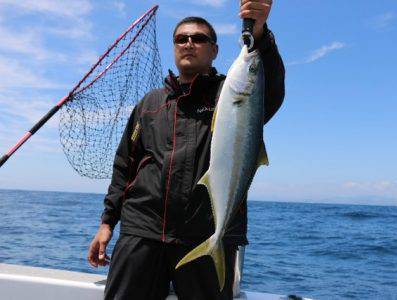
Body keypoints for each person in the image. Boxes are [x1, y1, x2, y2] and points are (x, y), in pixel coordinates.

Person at [87, 0, 284, 299]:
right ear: (174, 47)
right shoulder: (150, 104)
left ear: (214, 50)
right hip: (142, 233)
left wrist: (259, 35)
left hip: (204, 234)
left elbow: (268, 88)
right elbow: (124, 167)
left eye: (199, 38)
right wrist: (106, 223)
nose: (189, 43)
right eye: (181, 39)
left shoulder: (227, 96)